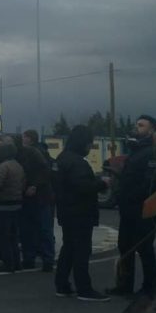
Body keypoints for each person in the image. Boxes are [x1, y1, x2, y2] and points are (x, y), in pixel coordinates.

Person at [51, 125, 112, 301]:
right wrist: (103, 183)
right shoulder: (77, 162)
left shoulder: (61, 158)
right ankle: (84, 289)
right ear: (83, 143)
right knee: (81, 251)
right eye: (89, 144)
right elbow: (83, 187)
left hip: (66, 211)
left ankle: (62, 285)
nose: (89, 148)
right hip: (80, 213)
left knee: (68, 248)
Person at [108, 114, 156, 296]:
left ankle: (150, 287)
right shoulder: (135, 150)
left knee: (144, 248)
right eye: (136, 124)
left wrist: (130, 195)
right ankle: (124, 286)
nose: (136, 128)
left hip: (142, 208)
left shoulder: (151, 152)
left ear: (152, 129)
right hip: (127, 208)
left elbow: (148, 183)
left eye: (141, 125)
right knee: (125, 246)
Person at [0, 137, 26, 271]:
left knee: (3, 236)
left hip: (3, 205)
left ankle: (8, 263)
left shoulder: (1, 167)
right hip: (17, 203)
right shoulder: (18, 165)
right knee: (14, 236)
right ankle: (17, 262)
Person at [19, 129, 56, 271]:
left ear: (29, 139)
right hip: (40, 197)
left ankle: (34, 258)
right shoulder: (39, 152)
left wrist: (34, 185)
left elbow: (45, 171)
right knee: (41, 229)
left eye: (24, 137)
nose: (23, 140)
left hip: (38, 196)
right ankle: (45, 259)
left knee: (35, 229)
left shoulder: (35, 153)